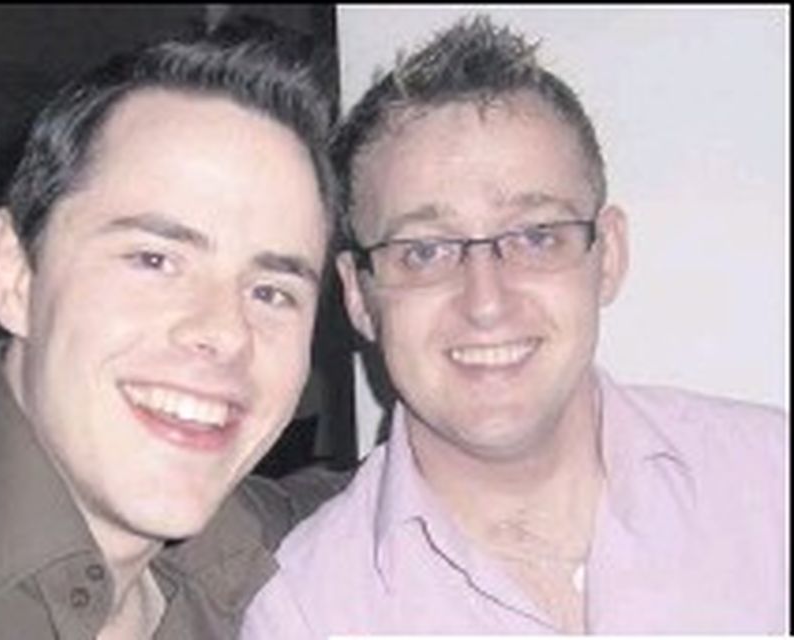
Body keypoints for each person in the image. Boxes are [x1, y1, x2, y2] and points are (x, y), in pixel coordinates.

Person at [241, 15, 789, 637]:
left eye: (536, 236)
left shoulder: (773, 484)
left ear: (608, 255)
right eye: (425, 250)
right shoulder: (305, 611)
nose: (486, 302)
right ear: (359, 296)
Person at [0, 24, 344, 639]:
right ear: (14, 275)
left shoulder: (240, 538)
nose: (226, 332)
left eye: (271, 292)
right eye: (154, 259)